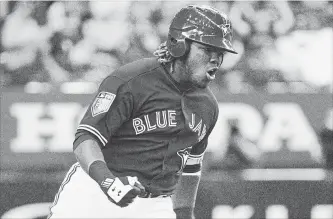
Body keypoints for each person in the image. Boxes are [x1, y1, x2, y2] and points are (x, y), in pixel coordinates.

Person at [48, 5, 237, 219]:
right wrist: (107, 181)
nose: (216, 59)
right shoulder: (131, 80)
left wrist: (184, 213)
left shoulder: (207, 106)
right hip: (95, 194)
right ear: (179, 46)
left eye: (220, 53)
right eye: (207, 50)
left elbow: (191, 166)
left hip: (154, 205)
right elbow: (86, 138)